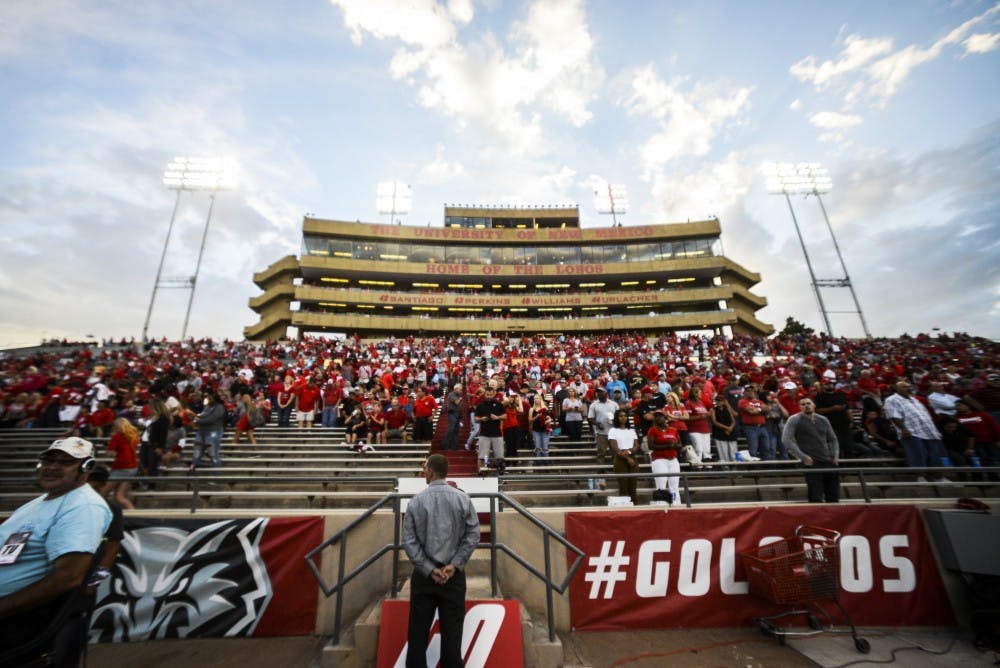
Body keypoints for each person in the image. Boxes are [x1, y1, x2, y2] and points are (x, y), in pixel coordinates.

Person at [0, 437, 112, 662]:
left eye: (65, 462)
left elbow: (68, 577)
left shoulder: (83, 506)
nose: (52, 467)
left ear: (86, 468)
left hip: (15, 620)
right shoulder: (42, 501)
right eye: (48, 460)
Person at [402, 454, 479, 668]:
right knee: (452, 637)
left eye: (425, 467)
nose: (423, 471)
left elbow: (408, 541)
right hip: (453, 576)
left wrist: (428, 569)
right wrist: (455, 564)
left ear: (432, 472)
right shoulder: (462, 499)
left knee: (417, 636)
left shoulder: (416, 501)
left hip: (424, 577)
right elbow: (474, 534)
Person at [884, 381, 949, 482]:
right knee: (917, 454)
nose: (908, 388)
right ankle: (921, 476)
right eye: (904, 387)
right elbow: (893, 416)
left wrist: (934, 430)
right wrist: (903, 429)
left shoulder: (914, 399)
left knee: (935, 454)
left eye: (909, 386)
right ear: (896, 389)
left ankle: (938, 476)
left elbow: (926, 414)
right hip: (911, 431)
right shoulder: (892, 399)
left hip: (929, 431)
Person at [781, 397, 841, 503]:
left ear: (814, 405)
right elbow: (786, 439)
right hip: (811, 461)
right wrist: (803, 457)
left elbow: (833, 439)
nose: (806, 406)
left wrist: (835, 455)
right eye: (803, 404)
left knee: (833, 496)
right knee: (815, 495)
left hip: (828, 460)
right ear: (799, 407)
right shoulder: (795, 419)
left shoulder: (823, 419)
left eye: (808, 403)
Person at [647, 410, 681, 504]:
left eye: (660, 416)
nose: (658, 418)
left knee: (674, 485)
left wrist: (674, 445)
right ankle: (661, 506)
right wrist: (667, 446)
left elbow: (680, 445)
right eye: (656, 416)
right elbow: (651, 446)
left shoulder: (673, 430)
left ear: (665, 417)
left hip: (673, 459)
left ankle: (676, 504)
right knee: (661, 485)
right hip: (659, 459)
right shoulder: (652, 430)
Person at [105, 417, 139, 509]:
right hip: (132, 467)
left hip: (121, 467)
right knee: (119, 497)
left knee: (102, 494)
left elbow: (109, 453)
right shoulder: (133, 435)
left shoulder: (117, 436)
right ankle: (135, 515)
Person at [608, 409, 639, 504]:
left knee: (633, 485)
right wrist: (627, 457)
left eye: (625, 416)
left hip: (632, 456)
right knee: (623, 486)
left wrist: (629, 452)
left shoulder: (631, 430)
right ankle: (625, 507)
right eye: (621, 416)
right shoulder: (613, 430)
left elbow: (636, 445)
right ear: (617, 418)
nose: (623, 418)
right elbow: (614, 446)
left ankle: (635, 506)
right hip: (620, 458)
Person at [191, 390, 226, 470]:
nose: (208, 400)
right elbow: (201, 415)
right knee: (196, 452)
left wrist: (197, 421)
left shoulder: (219, 407)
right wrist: (195, 418)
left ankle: (215, 475)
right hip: (201, 431)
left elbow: (211, 419)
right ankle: (192, 471)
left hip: (213, 431)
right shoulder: (207, 407)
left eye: (210, 398)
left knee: (212, 453)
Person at [475, 385, 506, 473]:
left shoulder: (499, 404)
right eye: (487, 395)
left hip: (497, 434)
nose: (489, 396)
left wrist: (497, 417)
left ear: (494, 394)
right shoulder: (480, 405)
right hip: (484, 434)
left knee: (500, 456)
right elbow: (476, 418)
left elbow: (505, 416)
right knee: (481, 456)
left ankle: (501, 474)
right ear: (485, 394)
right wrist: (481, 419)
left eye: (490, 395)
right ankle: (480, 473)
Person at [710, 394, 738, 466]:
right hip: (719, 432)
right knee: (723, 452)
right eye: (717, 401)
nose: (719, 402)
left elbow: (733, 419)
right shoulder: (713, 410)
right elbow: (714, 422)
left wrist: (730, 428)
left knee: (733, 451)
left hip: (730, 432)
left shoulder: (727, 409)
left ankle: (734, 466)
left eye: (721, 401)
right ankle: (725, 467)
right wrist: (726, 428)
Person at [442, 383, 464, 451]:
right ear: (456, 389)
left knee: (456, 431)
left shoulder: (457, 395)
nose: (461, 391)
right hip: (452, 414)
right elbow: (457, 402)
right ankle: (445, 445)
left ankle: (454, 447)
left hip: (457, 414)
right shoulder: (452, 394)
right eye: (460, 390)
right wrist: (460, 399)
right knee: (451, 429)